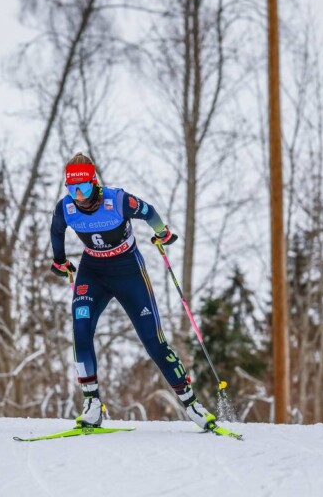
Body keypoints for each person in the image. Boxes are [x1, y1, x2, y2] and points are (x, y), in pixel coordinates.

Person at [50, 152, 216, 430]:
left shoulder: (117, 200)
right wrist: (60, 260)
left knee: (153, 339)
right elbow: (56, 231)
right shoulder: (65, 208)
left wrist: (162, 233)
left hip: (128, 270)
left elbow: (148, 211)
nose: (78, 195)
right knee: (80, 329)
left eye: (84, 188)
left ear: (94, 182)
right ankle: (92, 404)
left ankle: (192, 405)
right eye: (72, 189)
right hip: (93, 272)